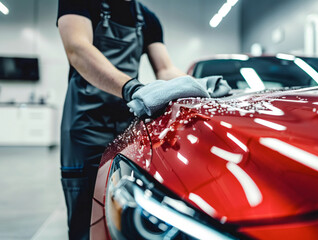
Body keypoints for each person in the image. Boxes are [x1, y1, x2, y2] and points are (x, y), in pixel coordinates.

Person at [57, 0, 230, 239]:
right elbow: (77, 48)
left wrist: (200, 86)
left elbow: (165, 69)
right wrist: (131, 88)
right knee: (83, 220)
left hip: (126, 127)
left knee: (120, 211)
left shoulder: (146, 18)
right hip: (87, 125)